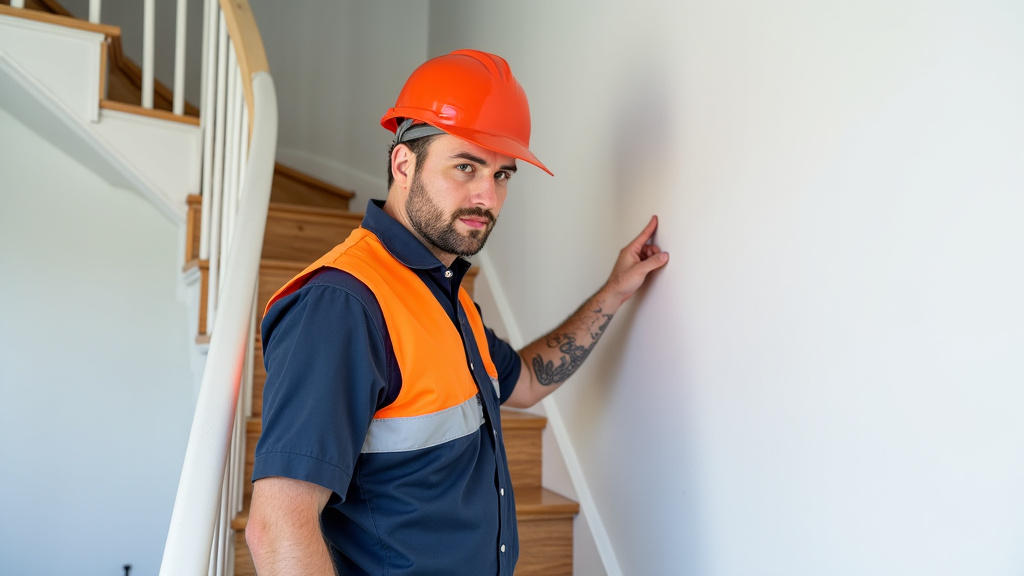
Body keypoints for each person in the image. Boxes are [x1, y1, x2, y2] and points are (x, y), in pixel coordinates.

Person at [245, 49, 669, 576]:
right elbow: (278, 527)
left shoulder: (447, 296)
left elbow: (528, 381)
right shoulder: (344, 303)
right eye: (465, 166)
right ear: (404, 163)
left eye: (503, 175)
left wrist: (615, 290)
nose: (486, 197)